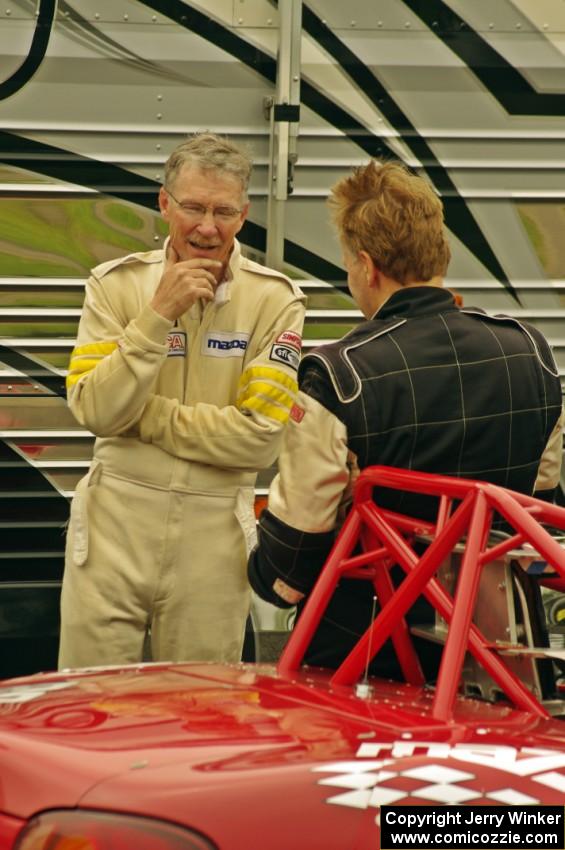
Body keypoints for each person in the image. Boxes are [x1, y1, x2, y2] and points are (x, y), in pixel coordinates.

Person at [248, 158, 564, 677]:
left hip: (368, 656)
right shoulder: (530, 352)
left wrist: (258, 571)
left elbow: (288, 571)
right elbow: (539, 505)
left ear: (367, 266)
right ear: (440, 253)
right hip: (503, 657)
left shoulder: (339, 376)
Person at [59, 132, 306, 668]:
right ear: (165, 204)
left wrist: (145, 417)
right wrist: (155, 318)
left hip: (213, 540)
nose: (207, 227)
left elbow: (261, 439)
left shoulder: (274, 300)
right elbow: (96, 411)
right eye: (193, 207)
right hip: (111, 531)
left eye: (223, 211)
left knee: (200, 716)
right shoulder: (116, 287)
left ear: (244, 215)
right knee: (93, 708)